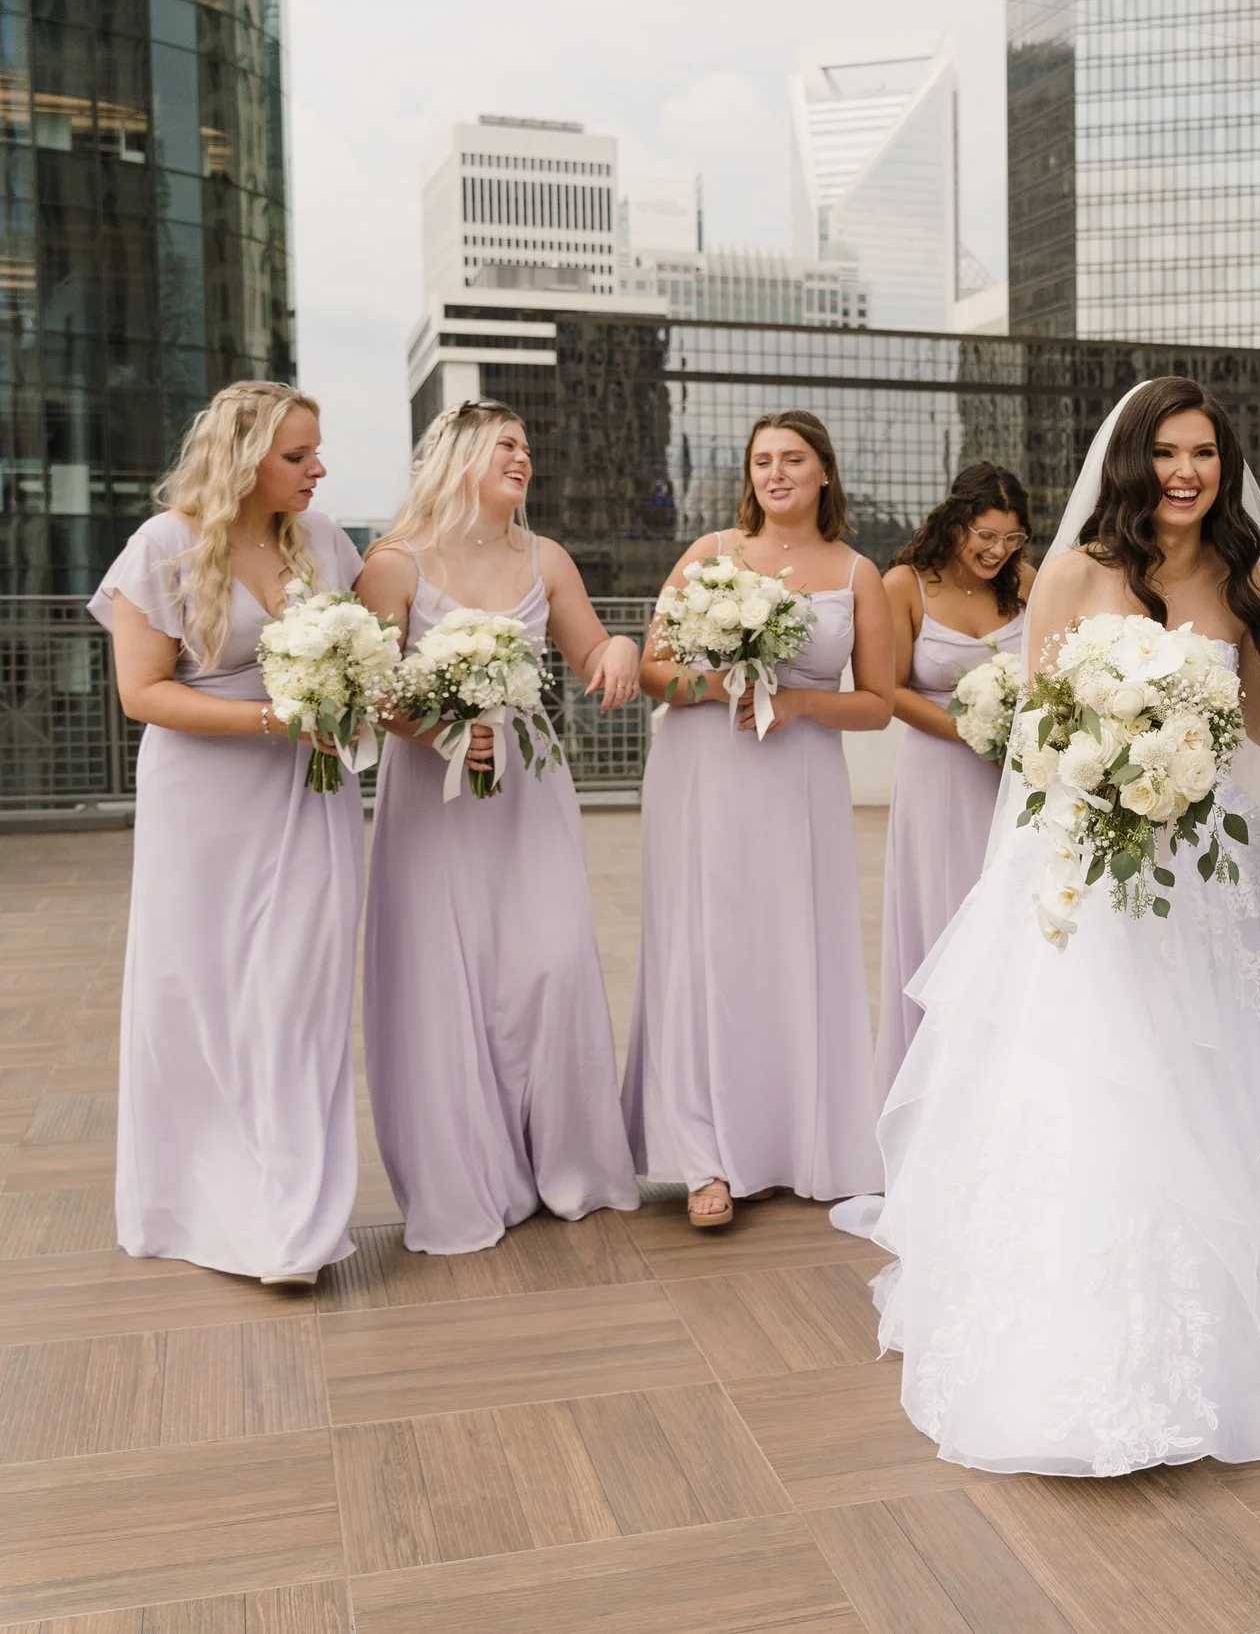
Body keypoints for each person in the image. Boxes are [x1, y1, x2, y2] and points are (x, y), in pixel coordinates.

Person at [863, 377, 1260, 1478]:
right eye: (1168, 452)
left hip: (1202, 871)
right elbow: (1039, 734)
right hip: (1089, 873)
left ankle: (1231, 1326)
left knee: (1219, 1080)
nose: (1187, 472)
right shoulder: (1070, 572)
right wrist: (1102, 794)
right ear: (1133, 461)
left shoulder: (1237, 577)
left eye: (1204, 452)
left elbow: (1255, 717)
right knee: (1091, 1081)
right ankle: (1065, 1340)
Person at [88, 382, 365, 1286]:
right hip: (204, 801)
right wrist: (269, 722)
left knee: (298, 993)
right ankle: (208, 1201)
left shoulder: (323, 539)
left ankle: (295, 1215)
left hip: (310, 793)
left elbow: (369, 644)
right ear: (244, 459)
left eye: (317, 451)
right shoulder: (162, 545)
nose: (318, 469)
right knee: (208, 996)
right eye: (298, 455)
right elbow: (142, 693)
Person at [356, 402, 644, 1255]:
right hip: (433, 796)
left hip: (529, 783)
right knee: (452, 977)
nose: (524, 456)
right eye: (507, 444)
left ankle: (568, 1159)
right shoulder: (393, 565)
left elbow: (592, 651)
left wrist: (620, 649)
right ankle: (471, 1175)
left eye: (528, 444)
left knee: (549, 962)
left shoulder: (544, 557)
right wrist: (444, 724)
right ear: (457, 456)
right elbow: (374, 694)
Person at [625, 409, 896, 1227]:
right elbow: (651, 670)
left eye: (793, 459)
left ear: (823, 472)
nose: (775, 473)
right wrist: (719, 685)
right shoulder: (708, 555)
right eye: (762, 461)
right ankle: (705, 1156)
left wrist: (800, 699)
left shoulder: (858, 575)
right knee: (706, 949)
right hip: (703, 772)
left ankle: (777, 1142)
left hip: (797, 780)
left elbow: (878, 704)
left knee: (784, 948)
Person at [873, 464, 1034, 1091]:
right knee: (943, 917)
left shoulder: (1025, 581)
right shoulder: (907, 584)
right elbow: (889, 690)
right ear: (956, 522)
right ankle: (934, 1086)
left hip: (1011, 780)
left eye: (1011, 538)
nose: (998, 552)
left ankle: (1002, 1085)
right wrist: (974, 732)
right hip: (937, 777)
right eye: (986, 536)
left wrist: (1020, 737)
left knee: (1006, 930)